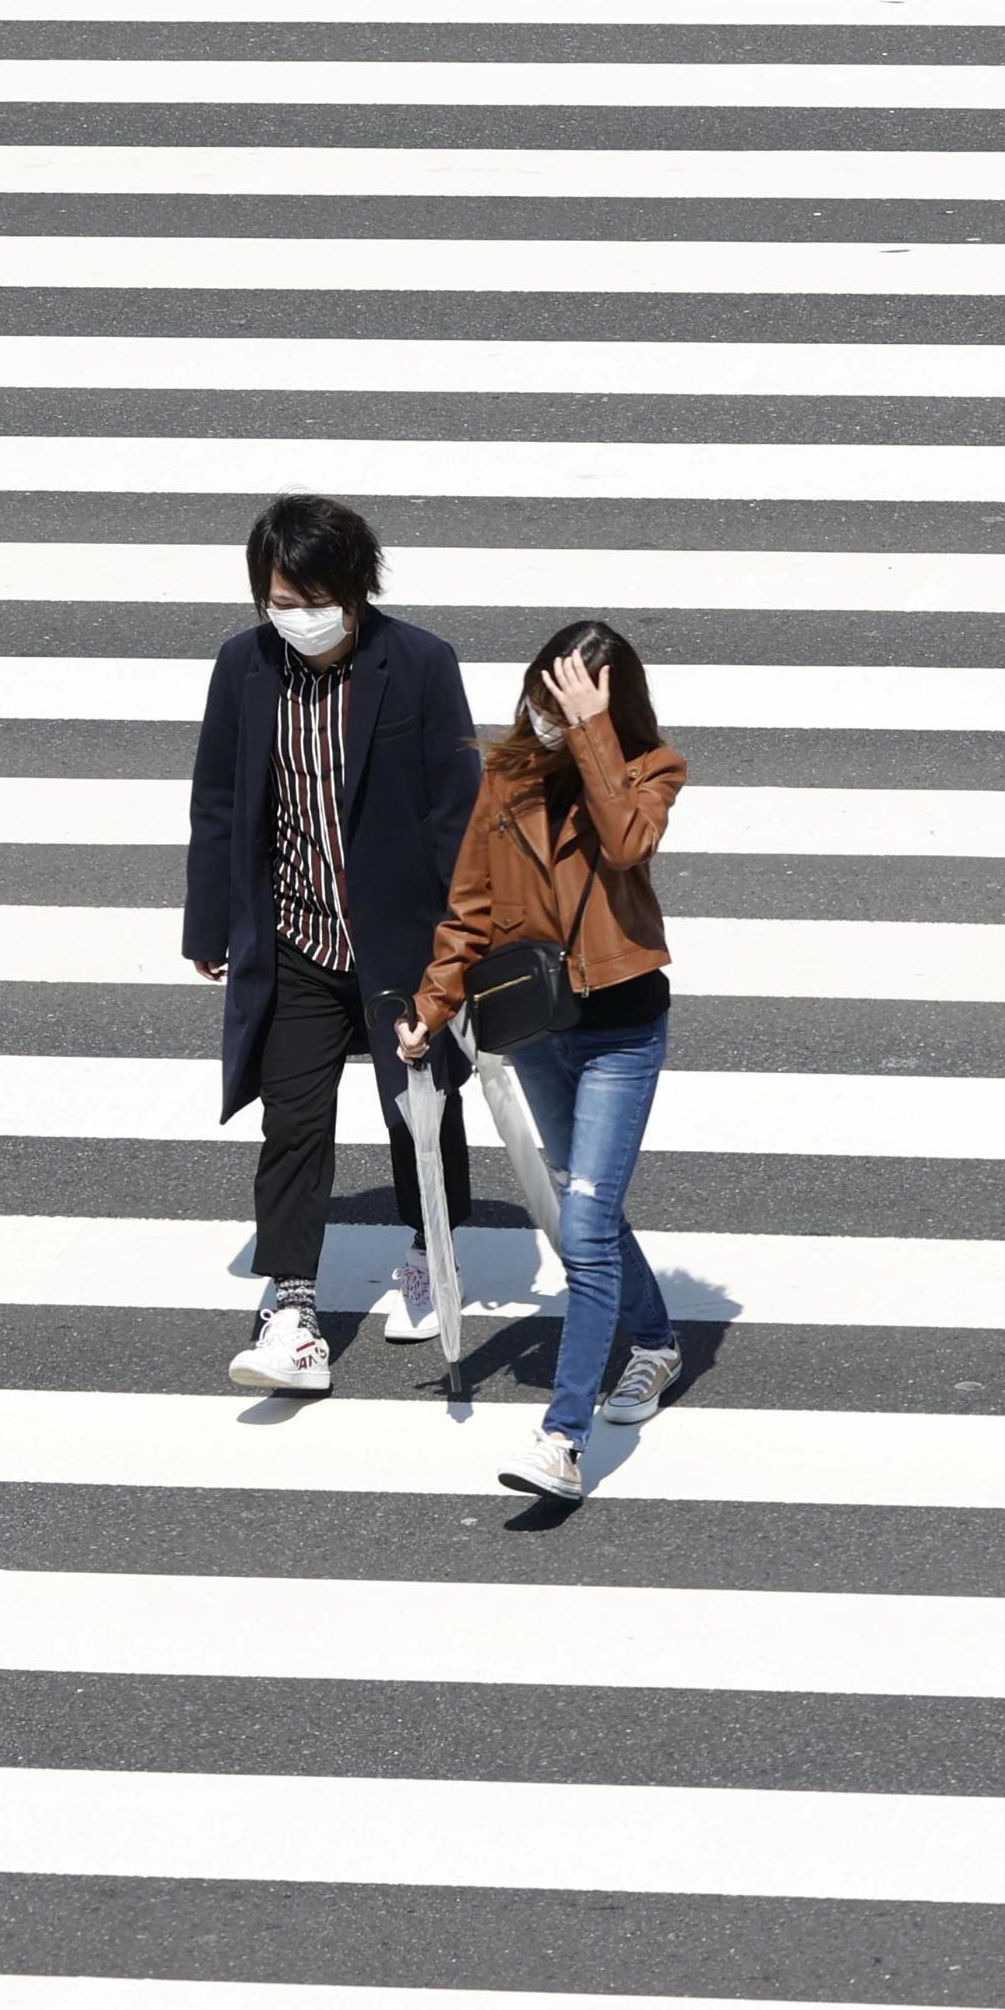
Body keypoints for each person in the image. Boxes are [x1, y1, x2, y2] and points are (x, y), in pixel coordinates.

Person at [181, 493, 482, 1394]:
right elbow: (220, 798)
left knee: (418, 1107)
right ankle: (293, 1308)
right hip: (296, 936)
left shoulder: (420, 664)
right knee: (294, 1117)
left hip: (400, 946)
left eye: (314, 599)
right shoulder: (243, 666)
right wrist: (209, 921)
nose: (297, 617)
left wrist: (462, 951)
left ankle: (432, 1252)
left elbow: (455, 810)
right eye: (280, 599)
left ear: (355, 591)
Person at [401, 620, 688, 1503]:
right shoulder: (508, 775)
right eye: (541, 692)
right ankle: (656, 1341)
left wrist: (595, 734)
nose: (546, 710)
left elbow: (630, 843)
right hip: (537, 1025)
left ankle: (562, 1439)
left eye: (567, 697)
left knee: (587, 1225)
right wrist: (432, 1003)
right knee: (580, 1208)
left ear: (606, 701)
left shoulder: (650, 769)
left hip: (623, 1031)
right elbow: (471, 907)